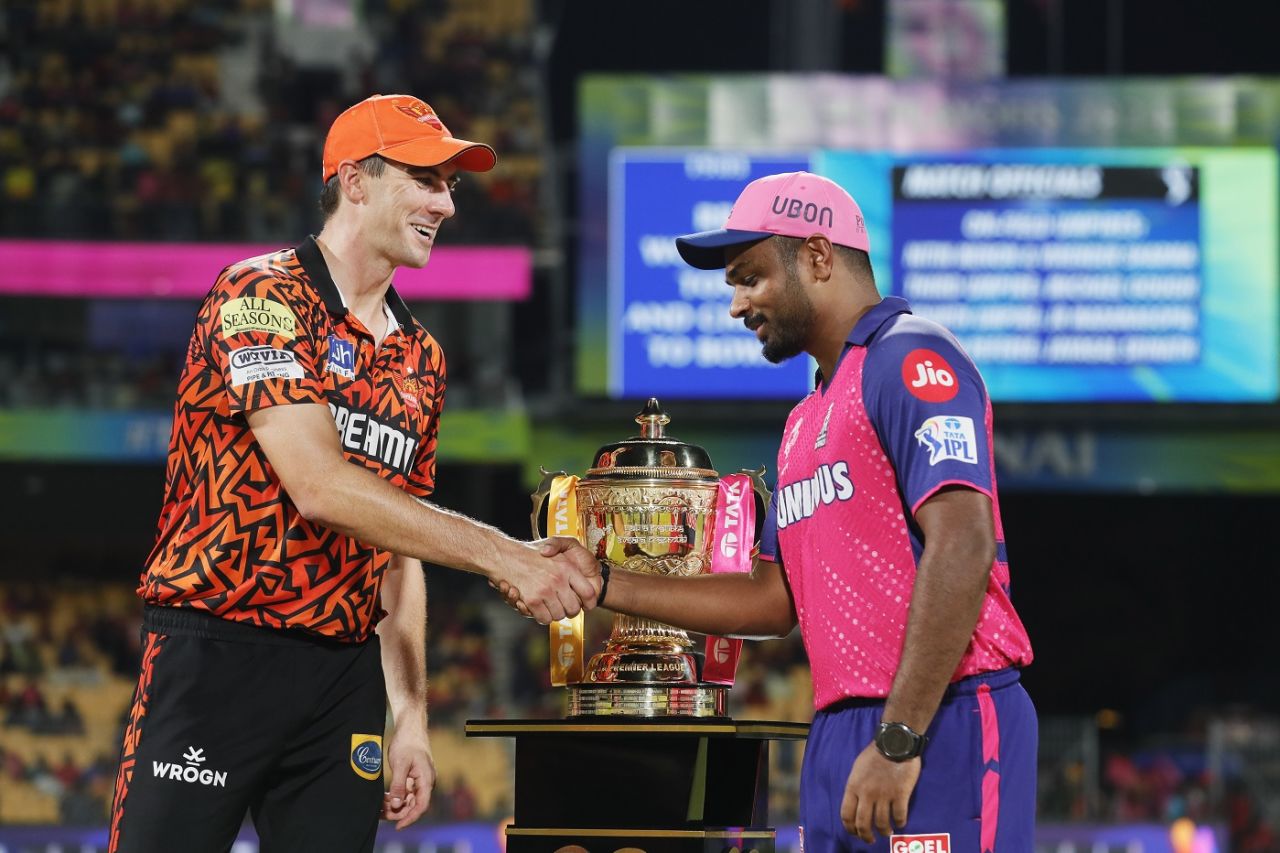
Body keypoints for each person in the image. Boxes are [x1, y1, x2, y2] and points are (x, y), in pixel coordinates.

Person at [108, 94, 601, 853]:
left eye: (450, 185)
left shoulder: (423, 359)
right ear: (356, 181)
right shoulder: (262, 295)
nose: (445, 202)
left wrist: (410, 715)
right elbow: (322, 486)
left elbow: (398, 548)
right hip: (216, 654)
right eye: (427, 179)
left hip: (342, 681)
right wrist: (506, 556)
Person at [524, 172, 1036, 851]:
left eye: (750, 277)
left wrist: (901, 735)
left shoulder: (909, 357)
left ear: (818, 257)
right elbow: (771, 599)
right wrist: (606, 582)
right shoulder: (804, 421)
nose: (737, 305)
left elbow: (963, 544)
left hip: (940, 719)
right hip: (839, 733)